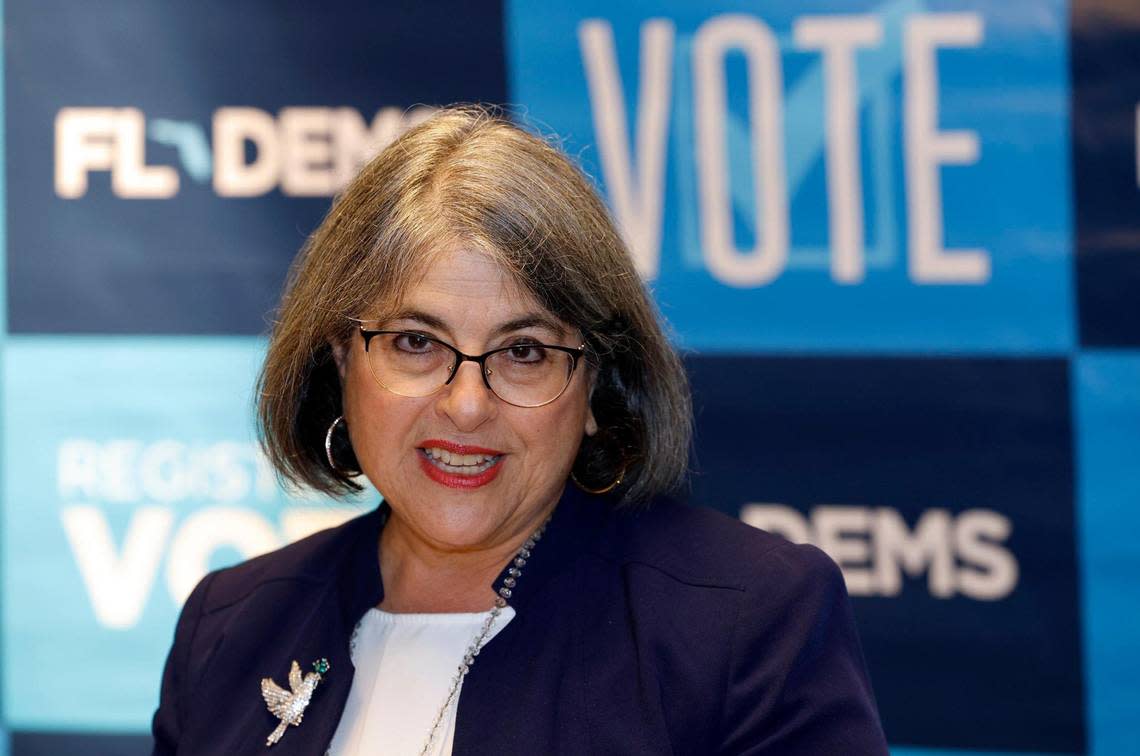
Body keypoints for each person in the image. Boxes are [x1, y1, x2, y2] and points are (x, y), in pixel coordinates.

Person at [151, 105, 888, 755]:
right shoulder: (232, 622)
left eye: (525, 352)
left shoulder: (746, 622)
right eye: (416, 342)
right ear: (342, 359)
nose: (467, 404)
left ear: (597, 384)